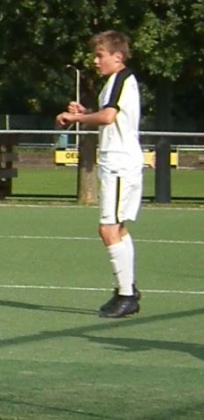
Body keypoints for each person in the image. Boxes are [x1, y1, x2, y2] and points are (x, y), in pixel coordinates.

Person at [56, 31, 143, 319]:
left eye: (99, 55)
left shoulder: (120, 79)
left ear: (117, 57)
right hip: (118, 162)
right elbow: (109, 115)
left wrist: (76, 117)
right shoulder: (115, 83)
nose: (95, 61)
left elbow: (108, 117)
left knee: (108, 229)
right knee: (118, 228)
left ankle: (127, 295)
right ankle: (127, 289)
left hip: (119, 162)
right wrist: (86, 112)